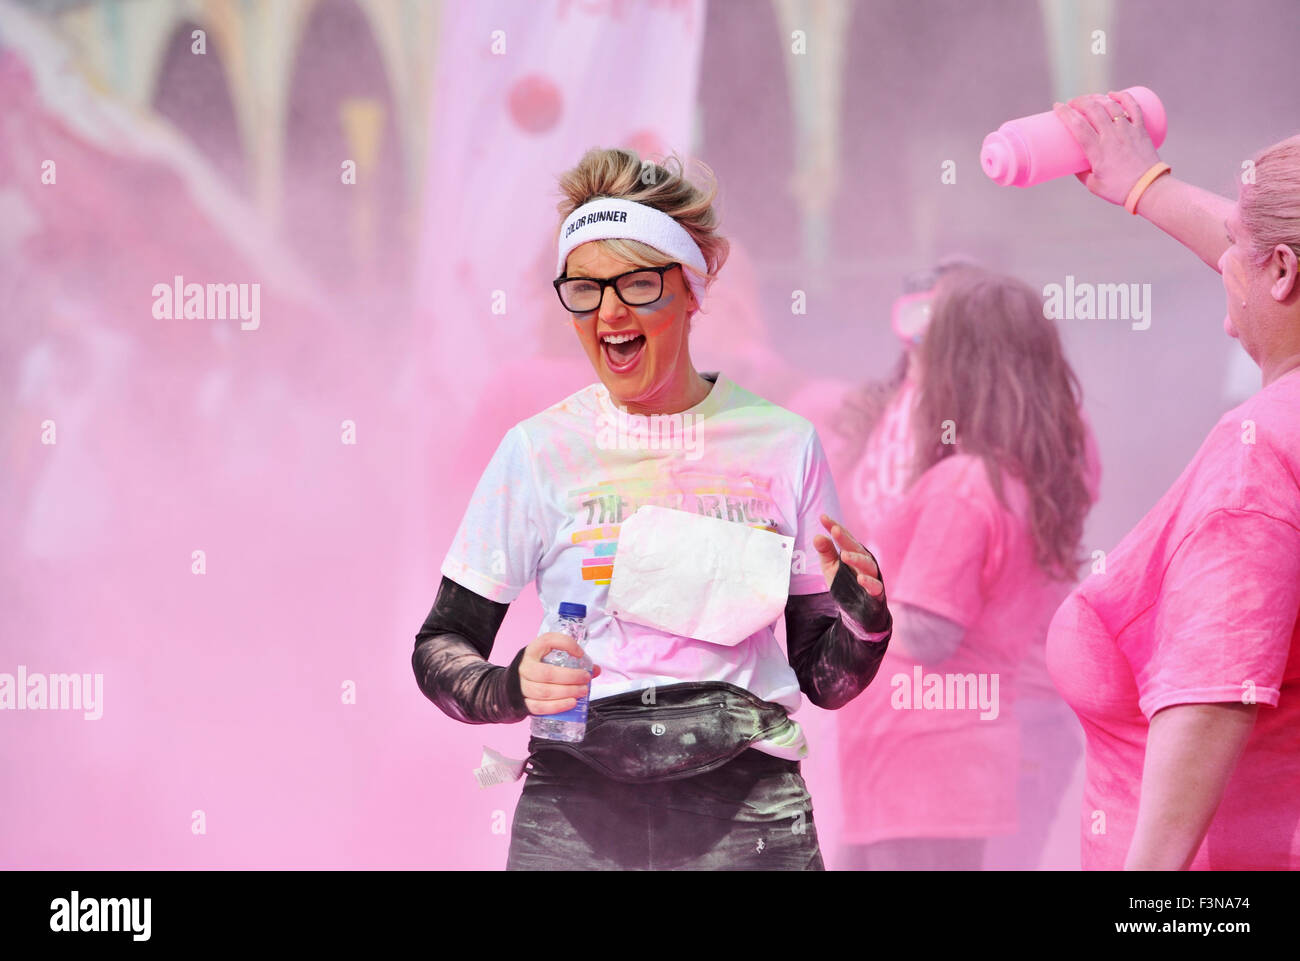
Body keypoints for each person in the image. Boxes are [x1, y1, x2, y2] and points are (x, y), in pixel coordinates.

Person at [410, 147, 894, 870]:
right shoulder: (538, 450)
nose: (608, 313)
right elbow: (440, 645)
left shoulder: (784, 444)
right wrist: (513, 685)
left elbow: (822, 679)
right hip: (575, 810)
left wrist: (866, 619)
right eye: (583, 289)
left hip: (746, 814)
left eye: (636, 285)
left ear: (693, 291)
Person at [1045, 92, 1300, 870]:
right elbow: (1267, 238)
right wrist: (1143, 185)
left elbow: (1215, 691)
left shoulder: (1259, 454)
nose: (1219, 259)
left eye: (1231, 244)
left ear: (1284, 270)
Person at [835, 265, 1094, 870]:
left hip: (919, 767)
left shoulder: (964, 487)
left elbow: (928, 633)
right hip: (945, 771)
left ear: (959, 369)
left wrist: (835, 598)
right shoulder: (1022, 481)